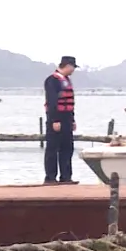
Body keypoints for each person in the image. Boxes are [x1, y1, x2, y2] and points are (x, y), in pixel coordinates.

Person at [43, 56, 79, 185]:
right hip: (56, 118)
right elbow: (52, 101)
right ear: (67, 66)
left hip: (67, 119)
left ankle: (66, 177)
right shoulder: (52, 80)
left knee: (67, 148)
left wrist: (72, 120)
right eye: (73, 67)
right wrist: (55, 120)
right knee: (52, 148)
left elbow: (70, 104)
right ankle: (50, 177)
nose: (73, 70)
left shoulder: (66, 80)